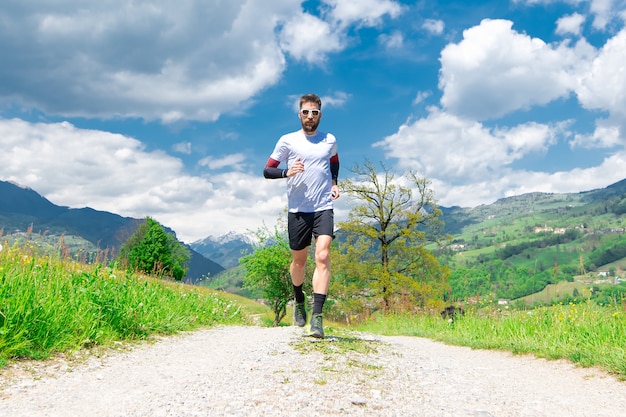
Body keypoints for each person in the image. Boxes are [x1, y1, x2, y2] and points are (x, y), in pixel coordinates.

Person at [263, 93, 340, 338]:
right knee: (299, 262)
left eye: (314, 112)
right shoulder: (288, 140)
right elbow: (267, 170)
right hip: (298, 210)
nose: (310, 116)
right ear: (300, 115)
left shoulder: (329, 140)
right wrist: (287, 172)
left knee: (323, 255)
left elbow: (334, 161)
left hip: (323, 206)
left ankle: (317, 318)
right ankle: (298, 298)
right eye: (305, 112)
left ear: (320, 115)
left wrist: (335, 182)